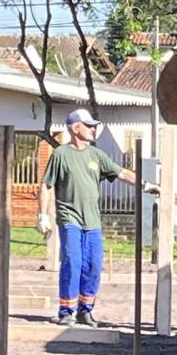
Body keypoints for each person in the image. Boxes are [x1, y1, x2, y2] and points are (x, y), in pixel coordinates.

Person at [37, 109, 159, 326]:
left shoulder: (96, 155)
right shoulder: (61, 154)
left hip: (92, 221)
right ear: (75, 128)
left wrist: (147, 185)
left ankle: (85, 310)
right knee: (73, 262)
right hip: (70, 218)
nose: (93, 130)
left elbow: (122, 173)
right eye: (88, 126)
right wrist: (43, 215)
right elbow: (46, 185)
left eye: (94, 126)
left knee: (93, 265)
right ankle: (66, 311)